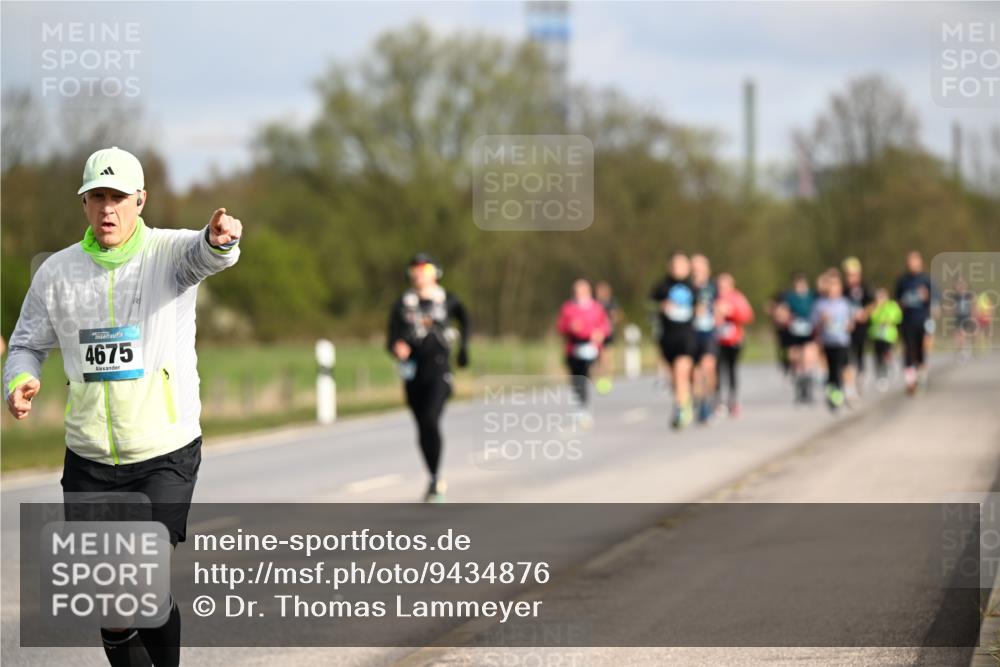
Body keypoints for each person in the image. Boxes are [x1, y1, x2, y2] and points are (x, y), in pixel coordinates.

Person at [4, 146, 242, 667]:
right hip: (89, 458)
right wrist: (19, 379)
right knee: (113, 606)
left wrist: (221, 241)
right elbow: (25, 342)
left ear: (140, 200)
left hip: (163, 450)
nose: (107, 209)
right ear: (84, 205)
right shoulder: (57, 273)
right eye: (96, 198)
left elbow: (205, 254)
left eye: (117, 197)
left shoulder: (166, 253)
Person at [387, 253, 469, 503]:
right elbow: (391, 337)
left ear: (435, 273)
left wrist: (464, 349)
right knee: (422, 425)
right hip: (413, 372)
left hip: (439, 370)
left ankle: (435, 480)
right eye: (415, 269)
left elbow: (466, 320)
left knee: (431, 419)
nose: (419, 273)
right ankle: (434, 477)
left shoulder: (448, 300)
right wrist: (396, 347)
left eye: (424, 269)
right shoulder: (402, 304)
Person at [650, 253, 697, 429]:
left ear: (687, 267)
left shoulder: (693, 287)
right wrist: (661, 307)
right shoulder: (661, 287)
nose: (678, 268)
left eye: (681, 265)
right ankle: (685, 401)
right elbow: (649, 305)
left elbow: (703, 307)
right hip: (667, 337)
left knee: (681, 372)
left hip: (687, 336)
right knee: (673, 378)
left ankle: (680, 409)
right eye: (674, 265)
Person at [556, 279, 610, 422]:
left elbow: (605, 326)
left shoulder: (596, 308)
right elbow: (560, 327)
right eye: (577, 291)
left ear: (588, 292)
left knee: (585, 376)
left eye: (582, 291)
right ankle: (581, 405)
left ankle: (587, 402)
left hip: (592, 348)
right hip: (574, 348)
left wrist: (600, 333)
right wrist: (570, 327)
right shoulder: (568, 308)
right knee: (576, 378)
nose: (579, 294)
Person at [811, 269, 853, 412]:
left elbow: (851, 322)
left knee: (841, 368)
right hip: (827, 342)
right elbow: (814, 323)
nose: (833, 289)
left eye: (836, 286)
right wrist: (822, 320)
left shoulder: (844, 304)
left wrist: (849, 325)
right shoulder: (820, 304)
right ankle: (834, 395)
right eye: (831, 286)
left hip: (841, 341)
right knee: (831, 370)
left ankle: (842, 393)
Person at [714, 272, 754, 417]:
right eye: (720, 285)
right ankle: (718, 400)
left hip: (733, 340)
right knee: (717, 370)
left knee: (731, 369)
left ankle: (733, 400)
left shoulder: (737, 297)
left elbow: (748, 315)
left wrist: (731, 312)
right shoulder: (713, 297)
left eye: (725, 285)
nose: (722, 288)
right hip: (716, 340)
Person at [894, 251, 934, 395]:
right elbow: (897, 300)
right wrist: (902, 303)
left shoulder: (926, 279)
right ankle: (910, 381)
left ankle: (922, 376)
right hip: (907, 321)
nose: (912, 264)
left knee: (921, 350)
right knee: (909, 351)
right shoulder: (902, 281)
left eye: (914, 261)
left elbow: (934, 301)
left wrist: (927, 297)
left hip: (923, 320)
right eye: (909, 261)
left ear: (920, 262)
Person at [778, 271, 819, 404]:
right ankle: (799, 390)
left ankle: (808, 390)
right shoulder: (789, 297)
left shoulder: (812, 296)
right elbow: (782, 311)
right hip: (794, 333)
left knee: (807, 359)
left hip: (808, 333)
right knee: (796, 360)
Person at [690, 254, 719, 424]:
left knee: (708, 367)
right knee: (695, 372)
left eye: (699, 266)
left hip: (709, 332)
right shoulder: (686, 287)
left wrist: (719, 311)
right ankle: (701, 404)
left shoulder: (713, 286)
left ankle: (708, 399)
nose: (696, 270)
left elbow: (722, 303)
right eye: (694, 267)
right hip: (691, 333)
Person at [841, 257, 874, 400]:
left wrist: (864, 314)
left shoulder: (865, 288)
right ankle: (849, 387)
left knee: (859, 355)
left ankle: (860, 376)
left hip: (861, 328)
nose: (850, 278)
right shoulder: (842, 290)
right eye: (848, 274)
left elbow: (873, 303)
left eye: (853, 274)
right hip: (846, 329)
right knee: (847, 357)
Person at [868, 287, 902, 392]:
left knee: (886, 353)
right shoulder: (874, 307)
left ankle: (890, 365)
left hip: (888, 335)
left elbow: (897, 317)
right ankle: (881, 376)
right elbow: (871, 318)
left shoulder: (892, 305)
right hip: (877, 335)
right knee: (878, 356)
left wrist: (888, 320)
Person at [593, 280, 622, 395]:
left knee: (607, 357)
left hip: (608, 334)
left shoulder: (611, 303)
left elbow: (617, 316)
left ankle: (607, 379)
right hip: (596, 334)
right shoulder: (594, 303)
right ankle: (600, 378)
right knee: (599, 357)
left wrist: (612, 318)